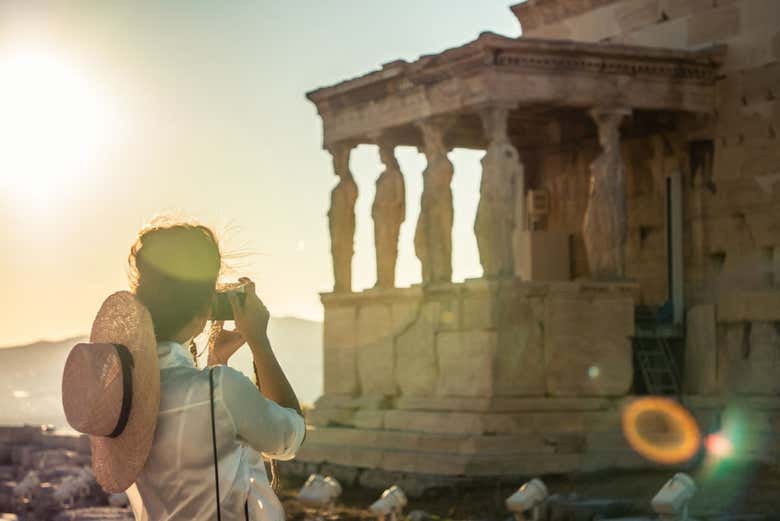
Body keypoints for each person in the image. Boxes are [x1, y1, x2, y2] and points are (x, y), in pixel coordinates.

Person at [123, 218, 305, 521]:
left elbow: (191, 453)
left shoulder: (124, 389)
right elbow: (290, 436)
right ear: (206, 305)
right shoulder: (220, 390)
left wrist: (216, 363)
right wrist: (259, 342)